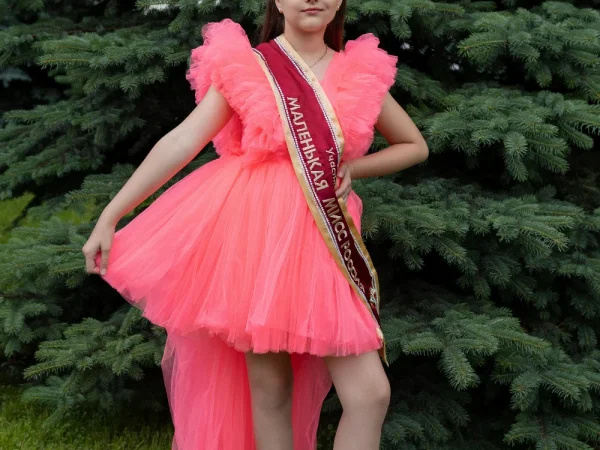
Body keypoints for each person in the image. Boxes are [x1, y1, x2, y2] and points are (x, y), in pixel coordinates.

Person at [82, 1, 429, 449]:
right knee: (270, 389)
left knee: (370, 394)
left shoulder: (358, 73)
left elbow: (413, 145)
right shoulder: (250, 66)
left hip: (323, 240)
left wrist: (354, 169)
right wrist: (111, 215)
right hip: (255, 236)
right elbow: (184, 140)